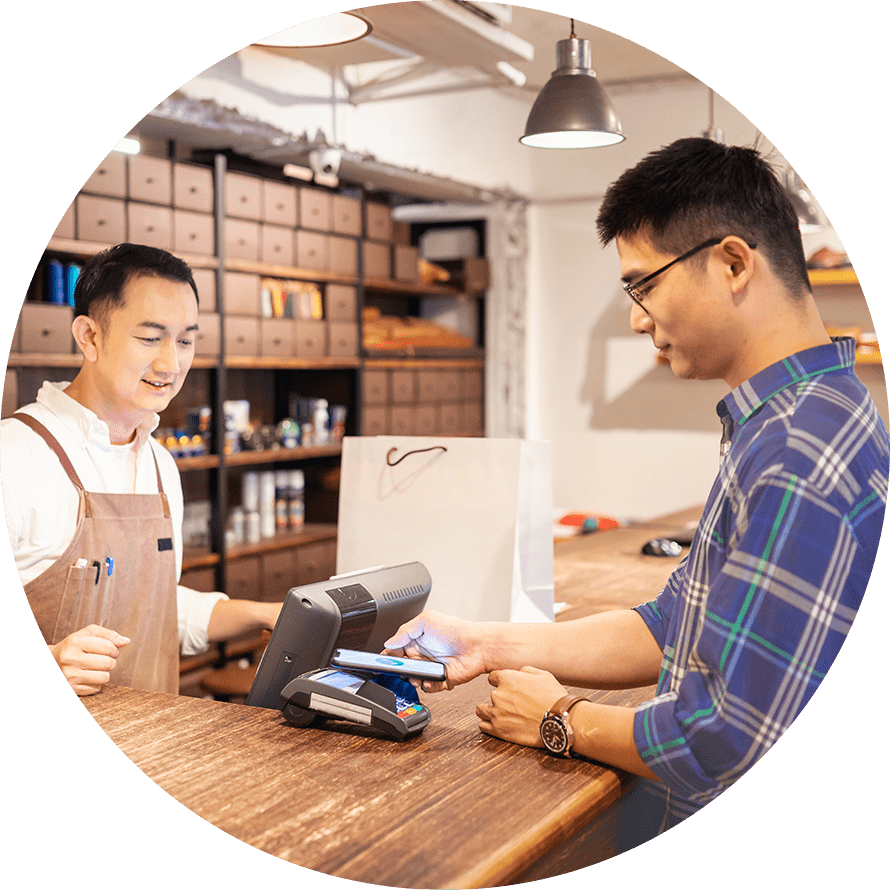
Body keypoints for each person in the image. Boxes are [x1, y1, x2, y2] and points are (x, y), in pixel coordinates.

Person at [384, 138, 890, 830]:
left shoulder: (797, 447)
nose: (636, 316)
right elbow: (668, 625)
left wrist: (558, 719)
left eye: (644, 283)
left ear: (734, 263)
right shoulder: (801, 413)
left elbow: (726, 736)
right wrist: (487, 642)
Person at [1, 243, 281, 696]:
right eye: (150, 338)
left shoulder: (159, 465)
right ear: (89, 336)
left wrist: (263, 614)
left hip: (153, 746)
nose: (171, 364)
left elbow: (154, 612)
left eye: (185, 340)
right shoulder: (14, 456)